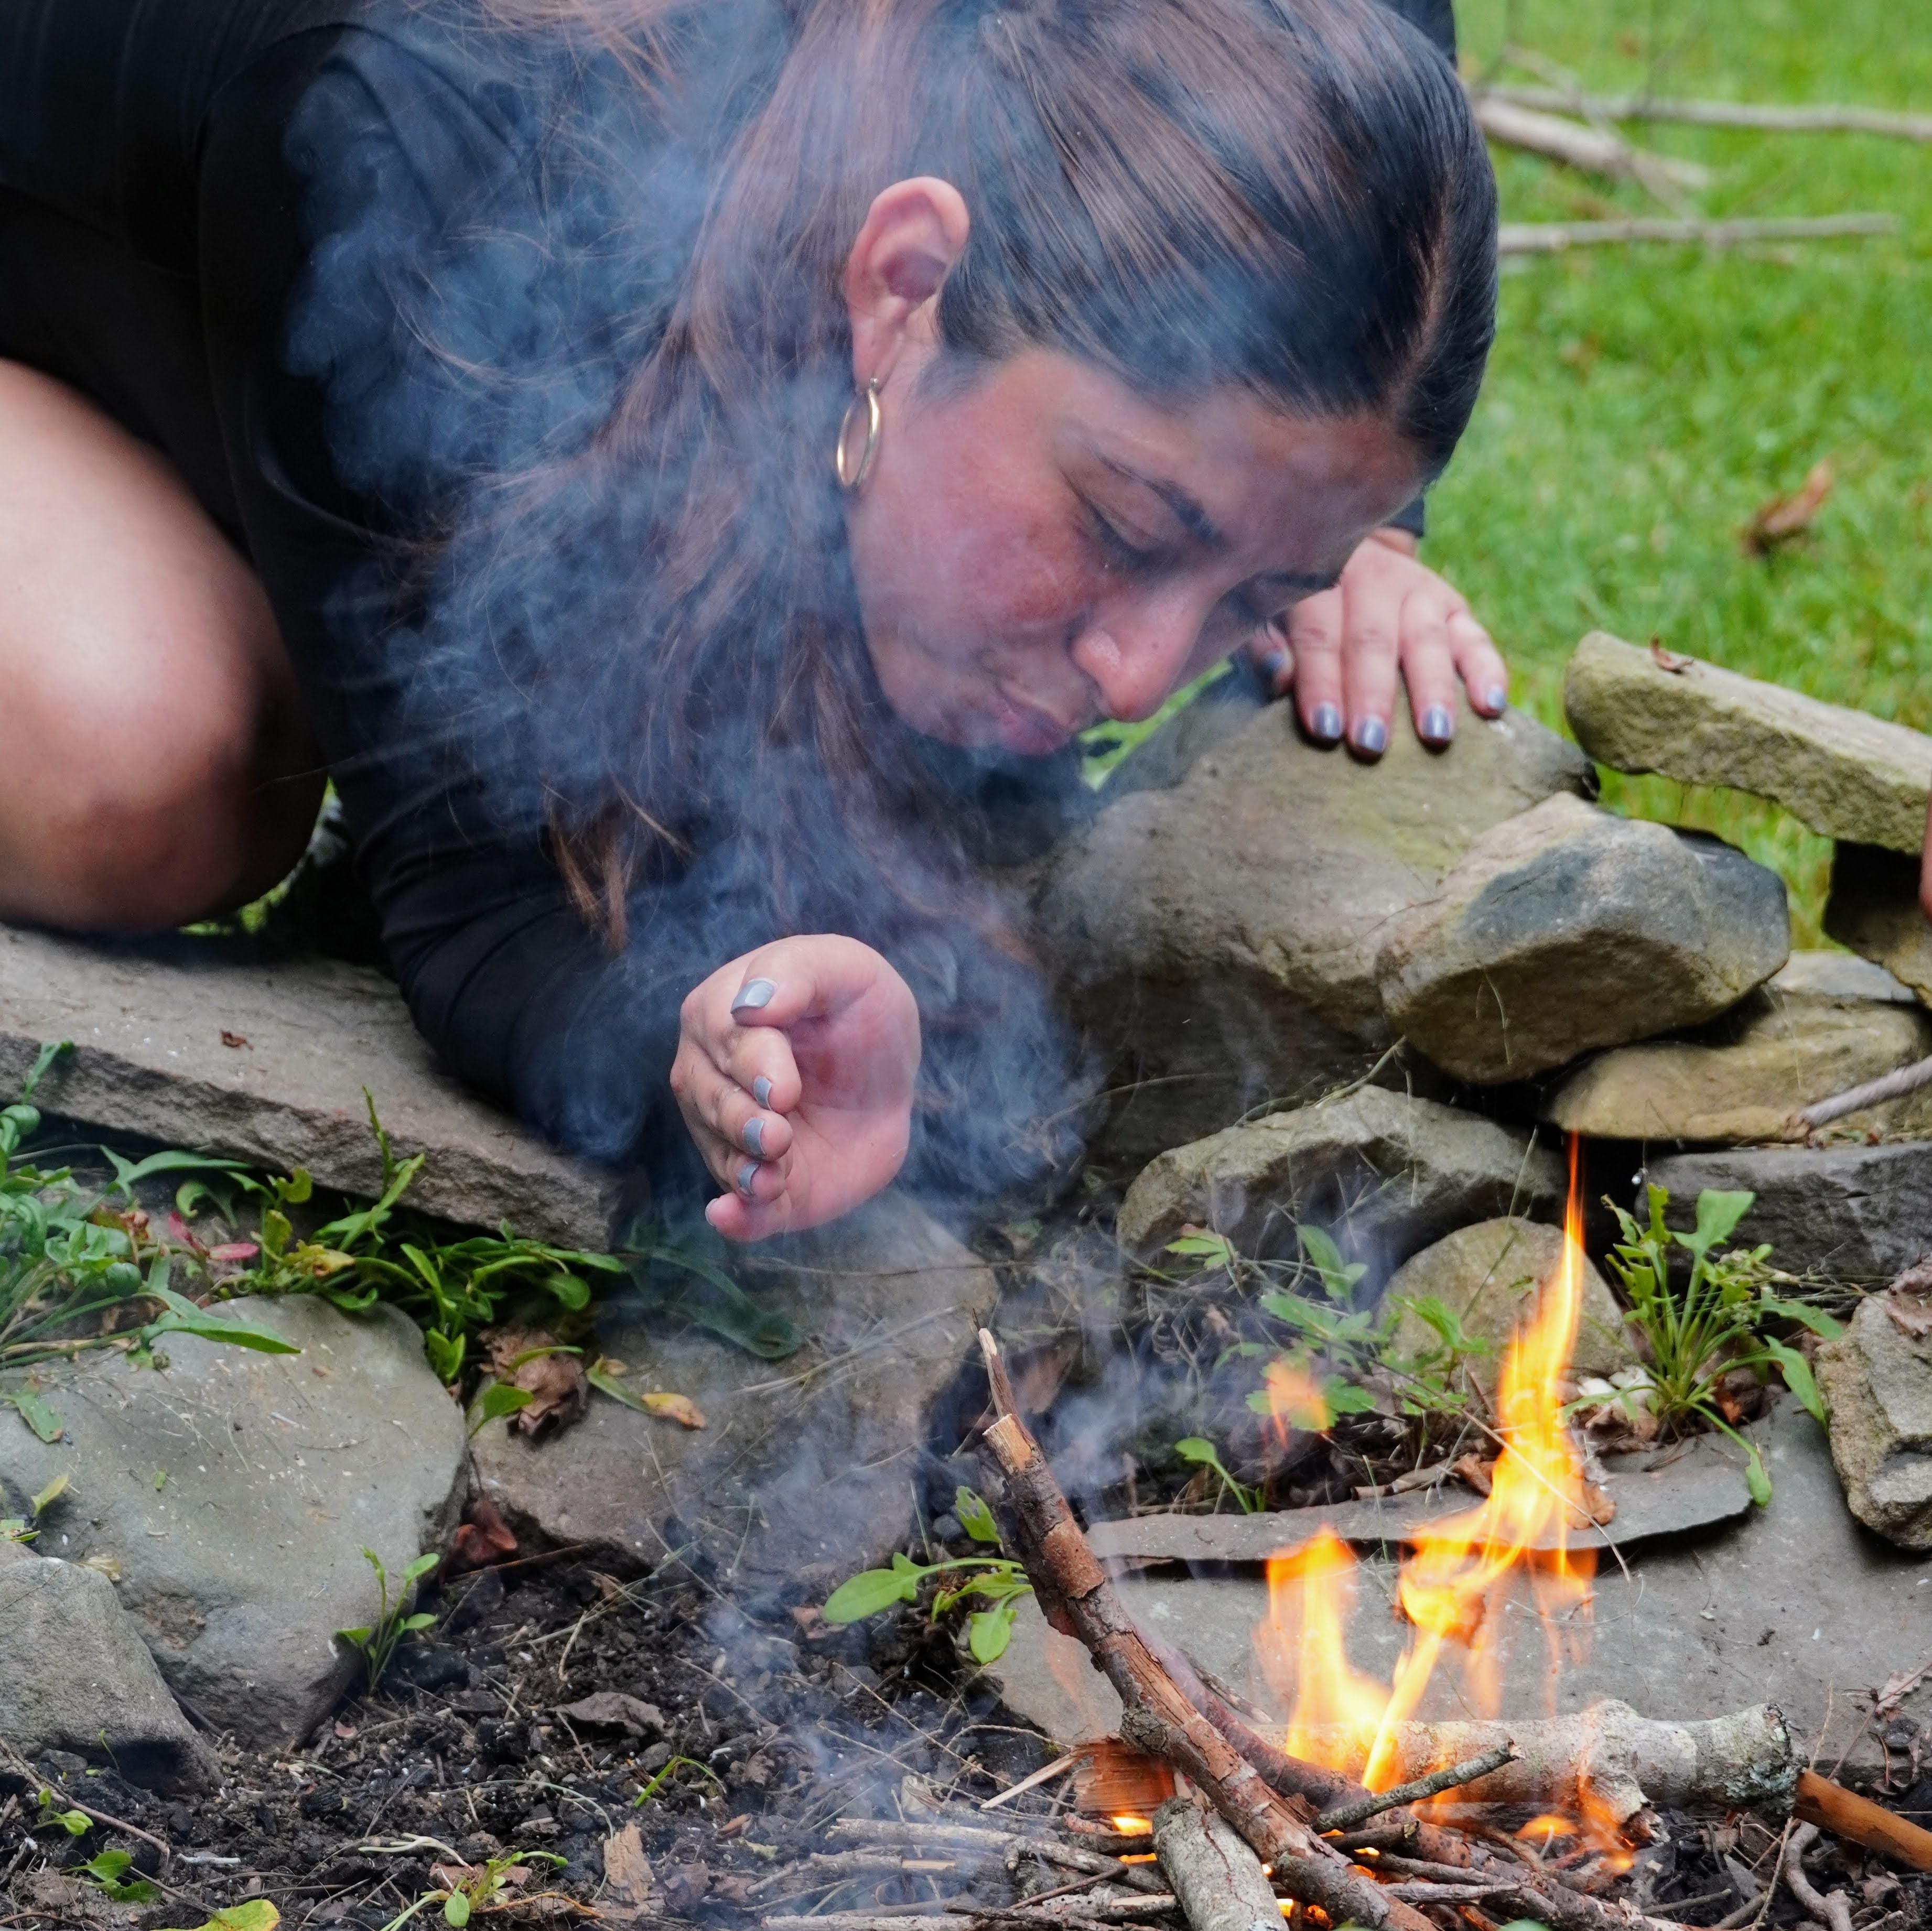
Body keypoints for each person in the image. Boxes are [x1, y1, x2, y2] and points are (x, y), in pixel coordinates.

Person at [0, 0, 1502, 1241]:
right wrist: (681, 1031)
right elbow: (475, 899)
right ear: (903, 287)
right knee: (155, 767)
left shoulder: (1286, 58)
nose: (1135, 676)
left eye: (1247, 590)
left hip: (246, 265)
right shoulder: (442, 151)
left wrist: (1331, 540)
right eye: (1126, 525)